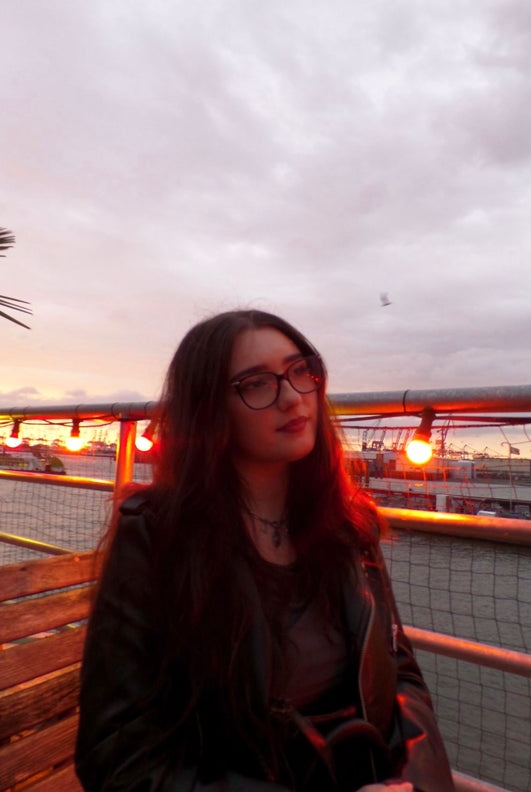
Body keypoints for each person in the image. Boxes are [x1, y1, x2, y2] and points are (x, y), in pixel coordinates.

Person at [75, 309, 455, 792]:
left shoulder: (347, 526)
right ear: (209, 410)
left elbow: (399, 670)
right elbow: (115, 755)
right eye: (257, 384)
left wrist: (416, 782)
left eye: (301, 371)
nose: (293, 397)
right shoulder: (158, 536)